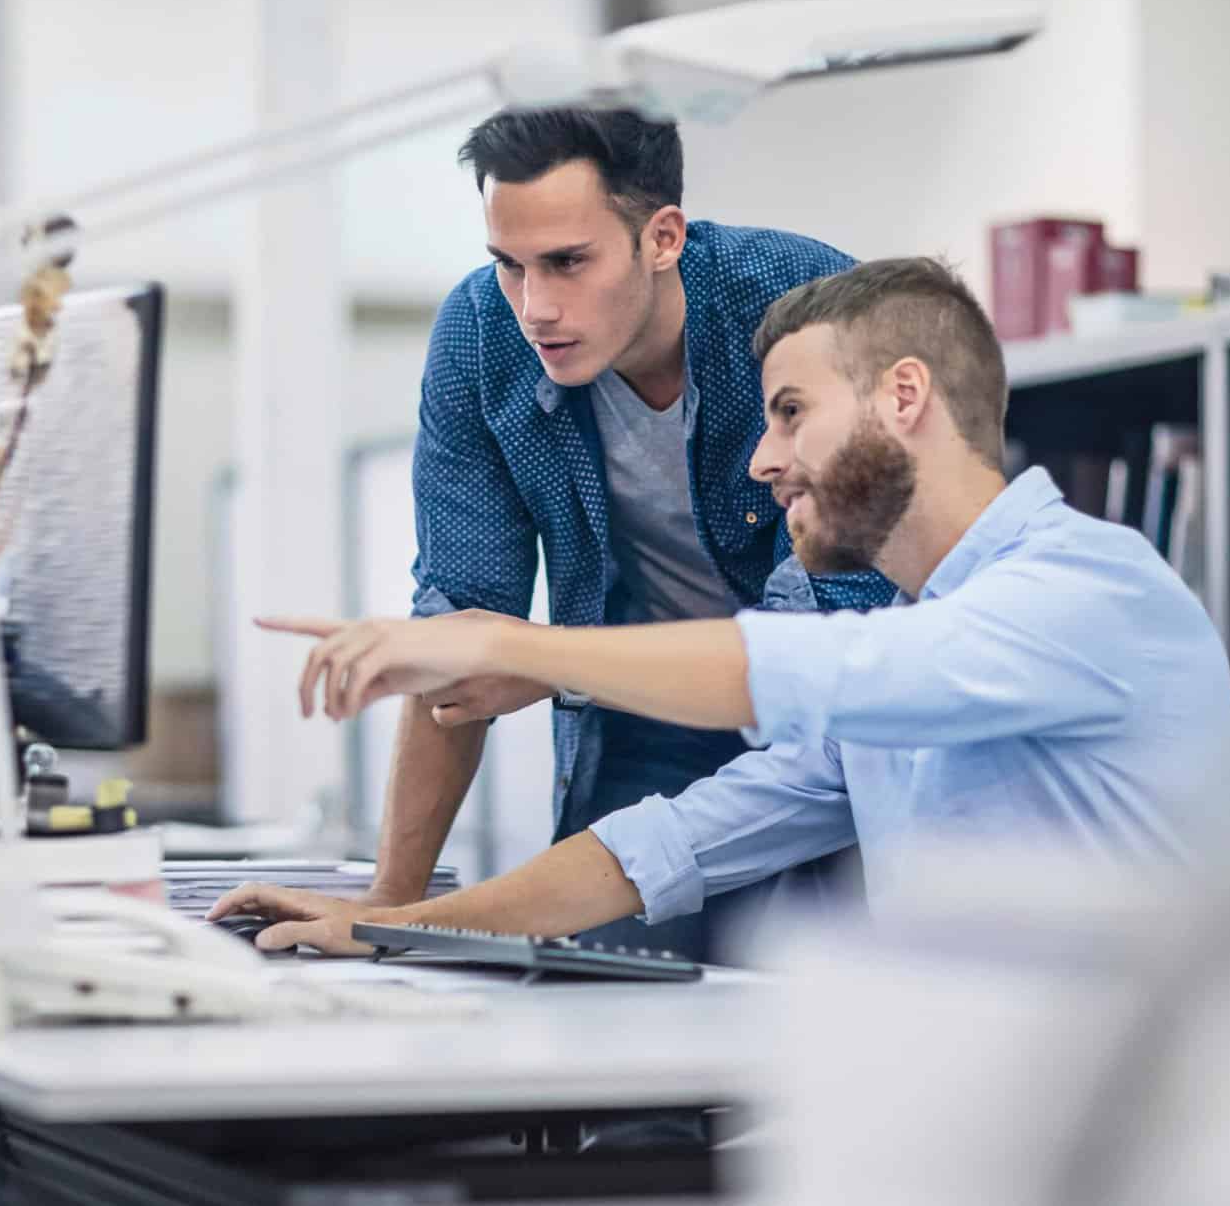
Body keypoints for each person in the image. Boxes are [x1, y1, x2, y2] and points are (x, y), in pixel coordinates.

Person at [216, 257, 1230, 951]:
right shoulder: (914, 652)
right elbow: (668, 844)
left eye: (790, 413)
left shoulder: (1087, 590)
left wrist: (509, 643)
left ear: (903, 397)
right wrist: (397, 925)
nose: (763, 459)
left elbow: (803, 669)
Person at [368, 106, 895, 960]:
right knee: (606, 983)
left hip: (831, 718)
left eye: (569, 263)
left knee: (819, 992)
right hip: (635, 712)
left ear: (663, 237)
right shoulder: (479, 335)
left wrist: (545, 664)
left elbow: (824, 649)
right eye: (510, 266)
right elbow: (461, 629)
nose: (535, 307)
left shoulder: (805, 310)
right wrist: (387, 910)